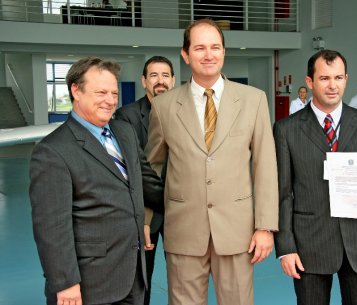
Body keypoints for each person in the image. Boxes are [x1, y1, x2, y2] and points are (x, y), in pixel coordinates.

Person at [145, 18, 278, 305]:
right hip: (184, 230)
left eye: (215, 47)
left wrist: (265, 226)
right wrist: (145, 219)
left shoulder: (254, 100)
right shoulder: (164, 105)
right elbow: (152, 167)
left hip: (237, 231)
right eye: (200, 48)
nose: (208, 55)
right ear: (185, 54)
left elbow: (265, 166)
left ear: (224, 52)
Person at [29, 57, 164, 305]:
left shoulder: (124, 132)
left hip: (133, 277)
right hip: (90, 285)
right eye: (101, 92)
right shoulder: (53, 151)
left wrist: (191, 202)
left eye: (114, 92)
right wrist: (66, 283)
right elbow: (52, 228)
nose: (110, 100)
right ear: (76, 91)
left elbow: (147, 183)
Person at [273, 49, 357, 305]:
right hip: (310, 245)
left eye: (338, 78)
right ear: (309, 81)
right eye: (325, 78)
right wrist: (286, 247)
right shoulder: (287, 129)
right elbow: (282, 192)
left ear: (346, 79)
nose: (332, 86)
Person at [114, 55, 175, 305]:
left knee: (185, 278)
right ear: (143, 81)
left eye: (165, 75)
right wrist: (148, 213)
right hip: (143, 211)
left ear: (172, 80)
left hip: (180, 213)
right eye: (153, 75)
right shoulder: (125, 117)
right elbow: (133, 170)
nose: (159, 81)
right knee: (142, 281)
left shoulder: (184, 113)